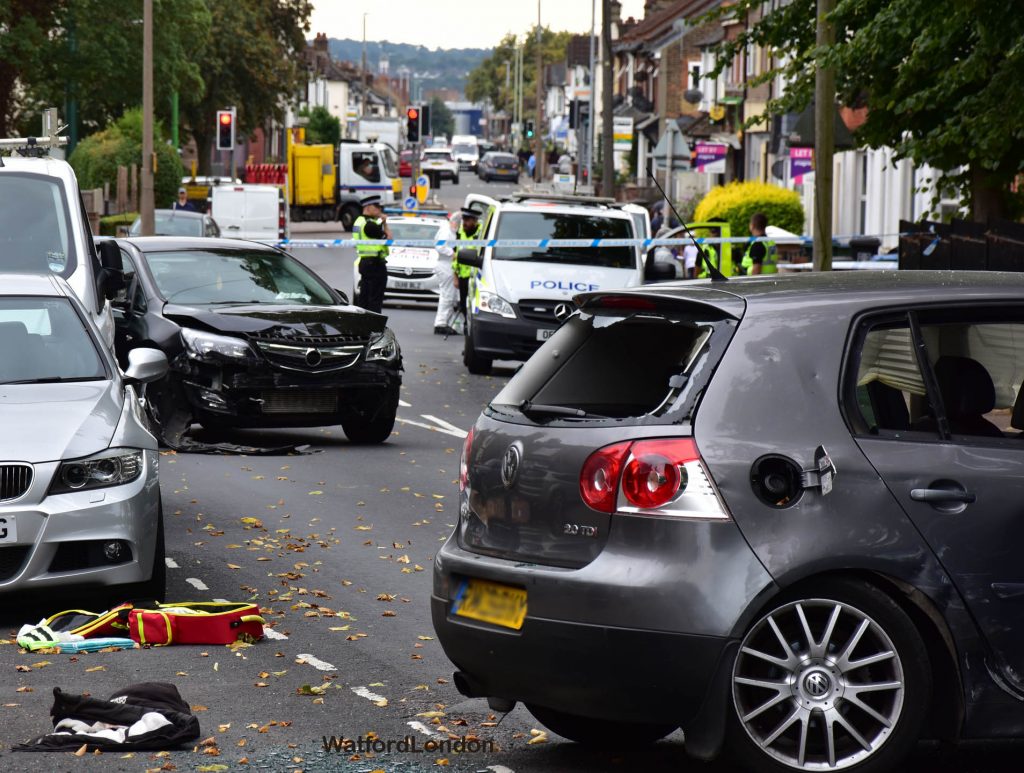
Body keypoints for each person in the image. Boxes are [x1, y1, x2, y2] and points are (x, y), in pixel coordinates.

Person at [352, 195, 391, 313]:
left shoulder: (360, 222)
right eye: (377, 207)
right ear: (368, 207)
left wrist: (380, 221)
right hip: (375, 265)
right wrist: (385, 223)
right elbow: (389, 238)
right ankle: (374, 325)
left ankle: (363, 323)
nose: (380, 210)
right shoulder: (370, 225)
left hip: (365, 263)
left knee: (365, 296)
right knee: (375, 298)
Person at [452, 208, 483, 326]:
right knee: (463, 303)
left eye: (467, 220)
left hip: (477, 276)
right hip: (463, 276)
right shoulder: (460, 233)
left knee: (475, 304)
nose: (464, 222)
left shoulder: (481, 234)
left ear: (475, 221)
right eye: (463, 219)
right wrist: (455, 276)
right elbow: (455, 257)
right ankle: (466, 324)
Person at [432, 221, 458, 335]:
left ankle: (446, 322)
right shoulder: (446, 231)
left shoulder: (448, 231)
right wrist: (453, 253)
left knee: (450, 296)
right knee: (447, 296)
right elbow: (440, 246)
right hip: (445, 265)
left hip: (447, 265)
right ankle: (441, 324)